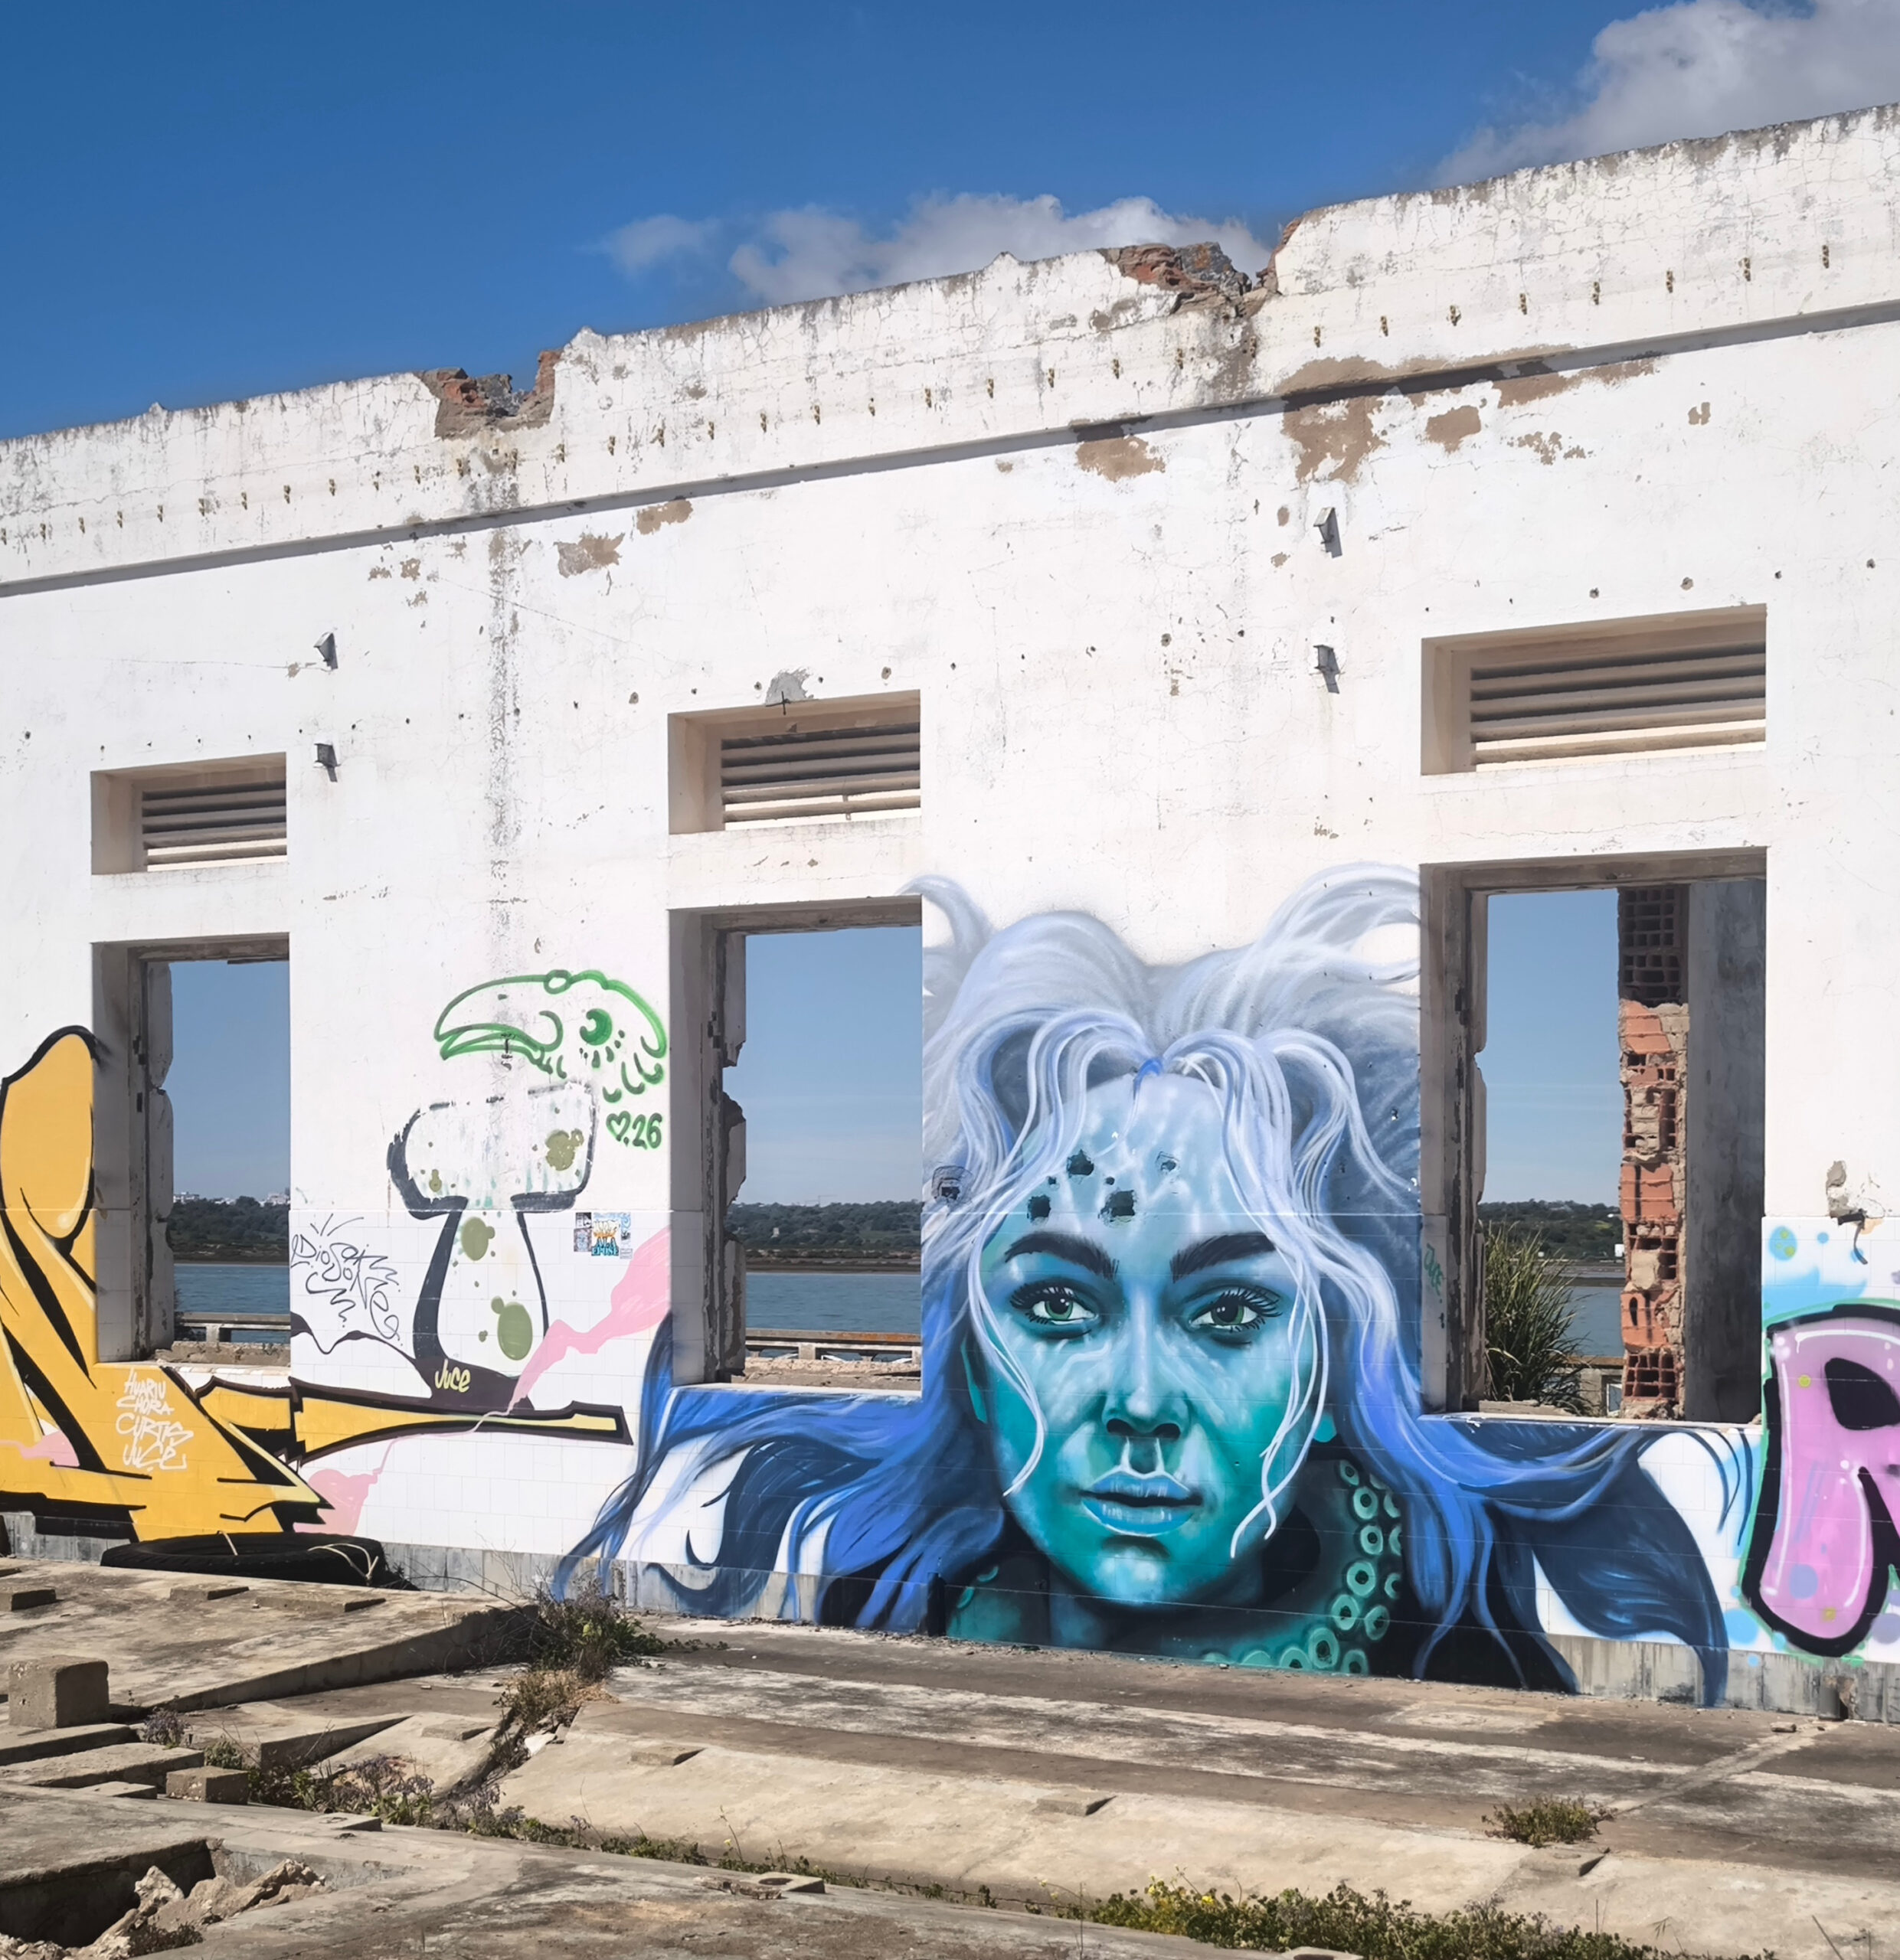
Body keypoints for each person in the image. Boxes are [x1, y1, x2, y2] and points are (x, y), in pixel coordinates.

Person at [562, 867, 1731, 1699]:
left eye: (1227, 1312)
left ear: (1333, 1367)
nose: (1137, 1405)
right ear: (973, 1364)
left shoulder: (1467, 1660)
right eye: (1055, 1306)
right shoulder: (881, 1608)